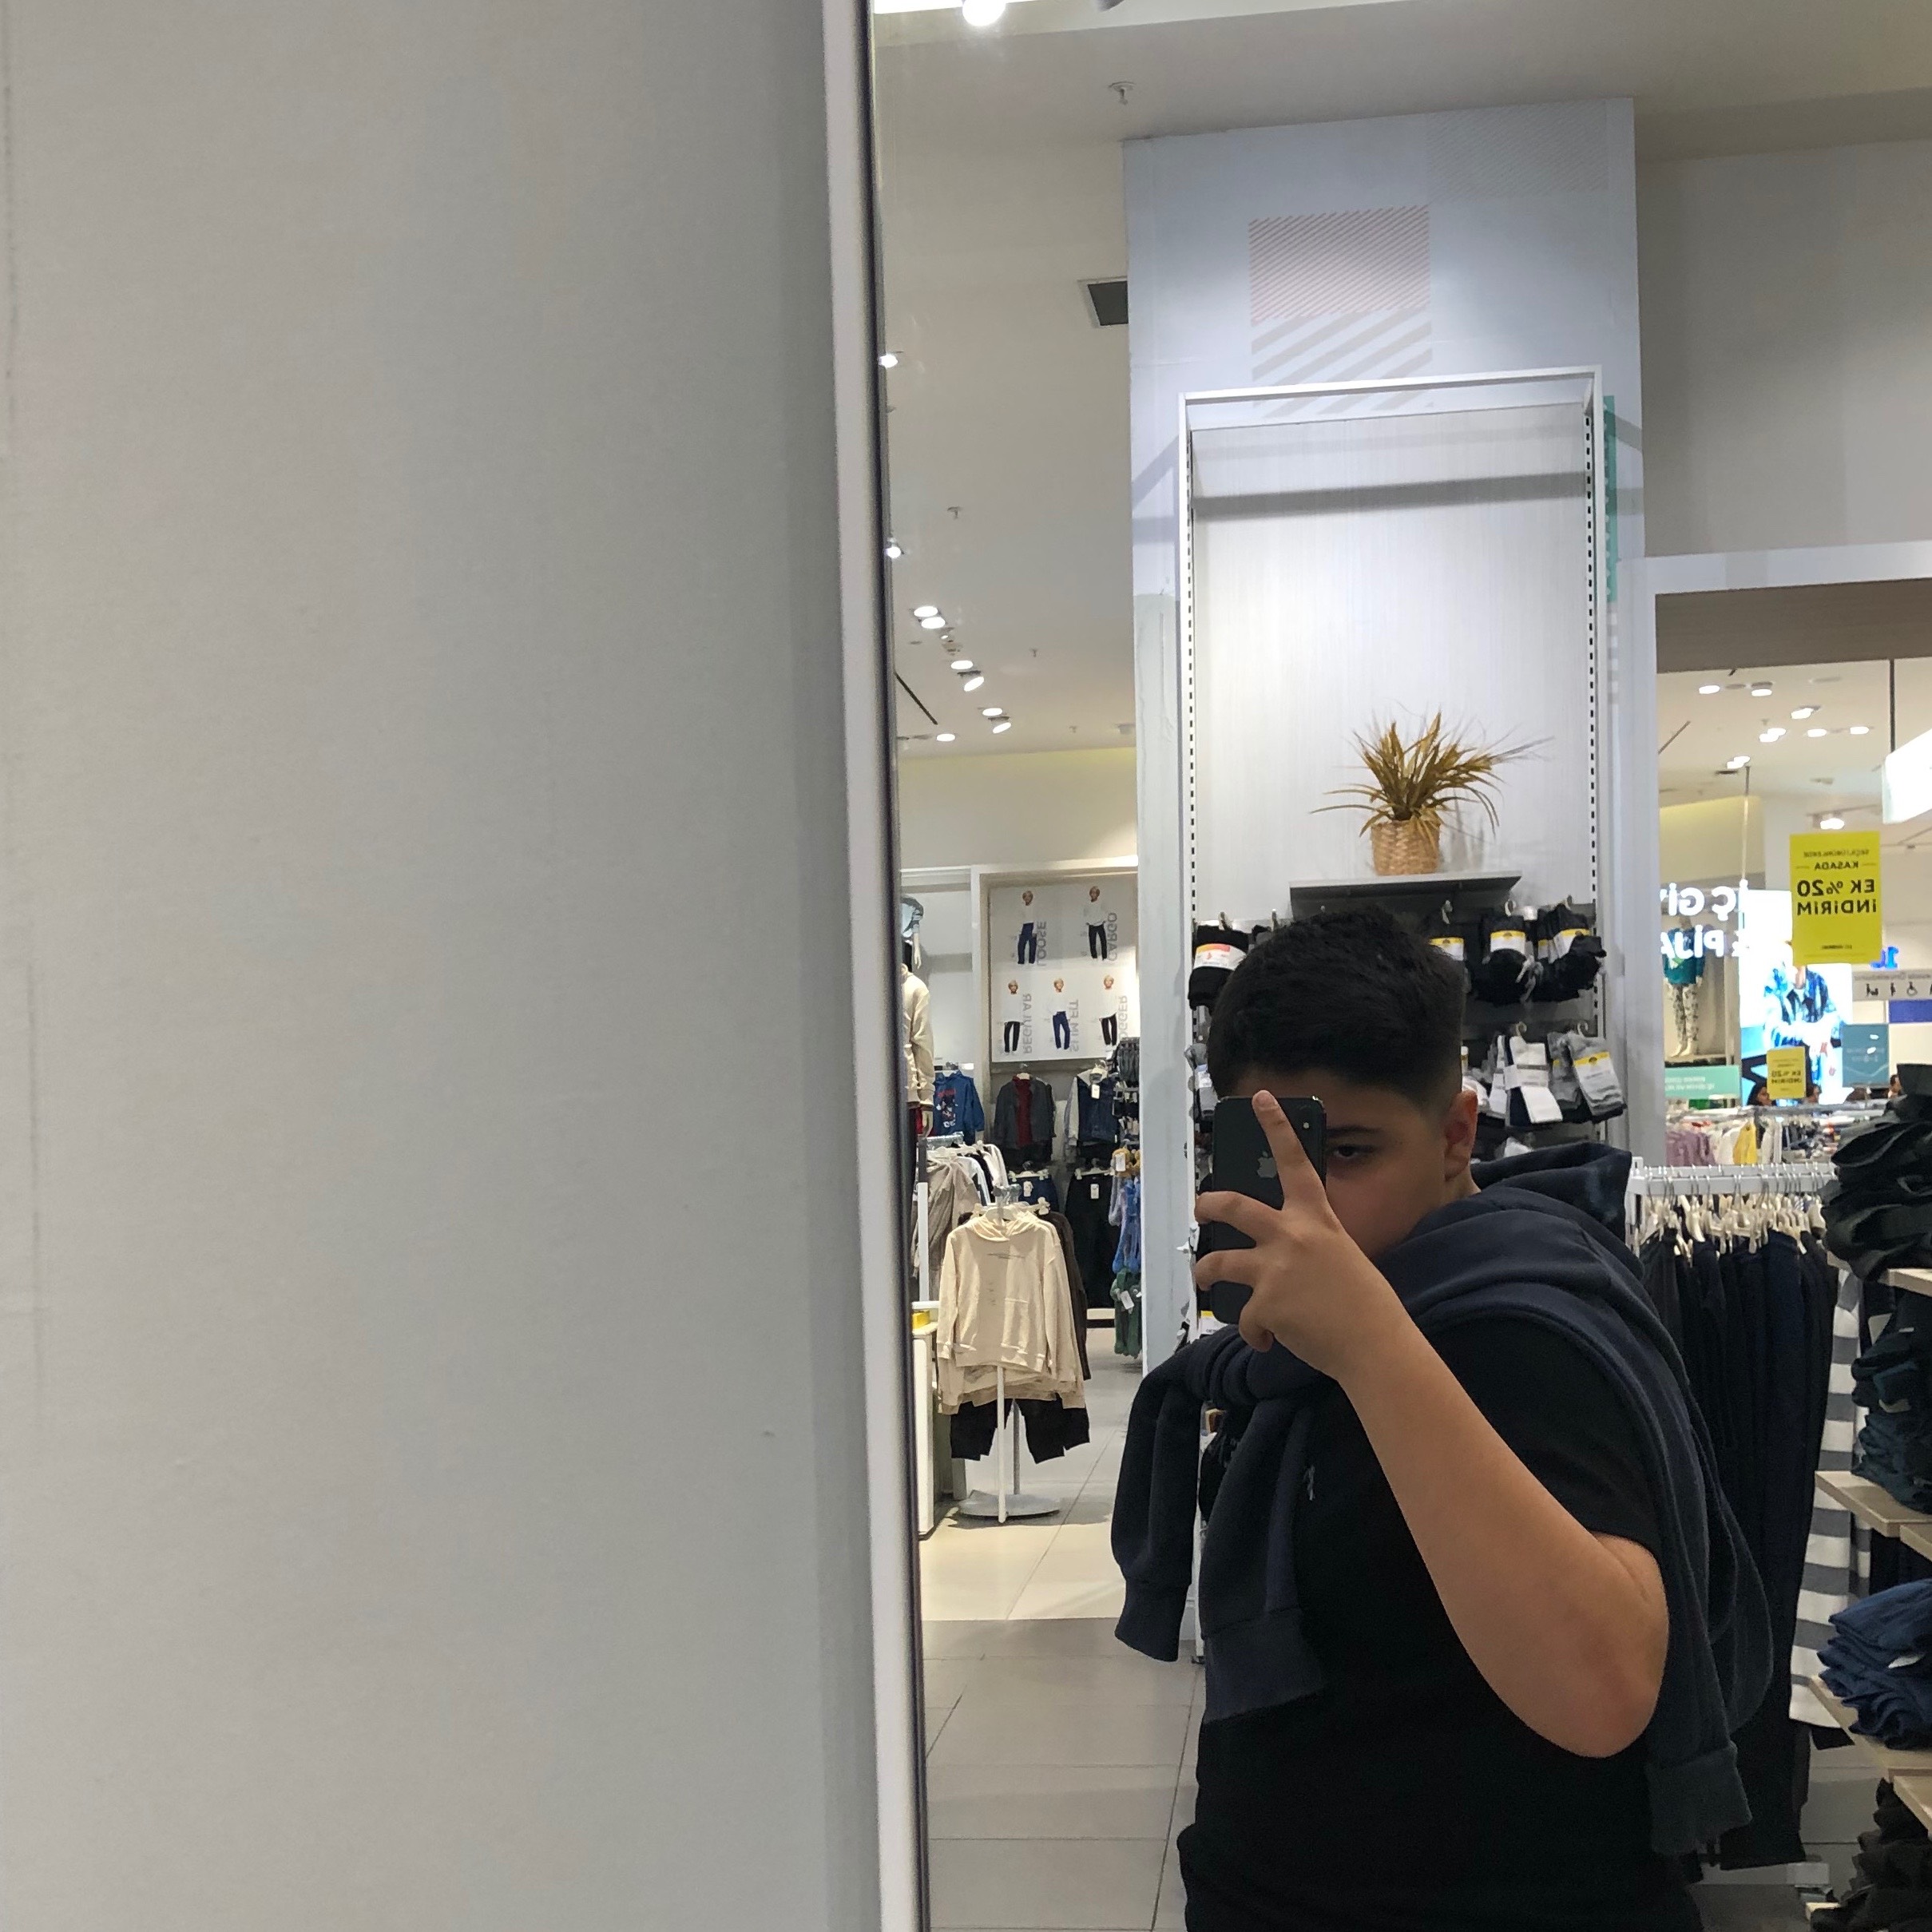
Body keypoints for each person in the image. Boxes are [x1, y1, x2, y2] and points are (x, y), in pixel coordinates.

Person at [1113, 906, 1767, 1931]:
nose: (1315, 1207)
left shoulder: (1511, 1327)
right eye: (1278, 1157)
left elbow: (1602, 1691)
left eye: (1351, 1151)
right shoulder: (1292, 1354)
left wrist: (1369, 1341)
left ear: (1457, 1133)